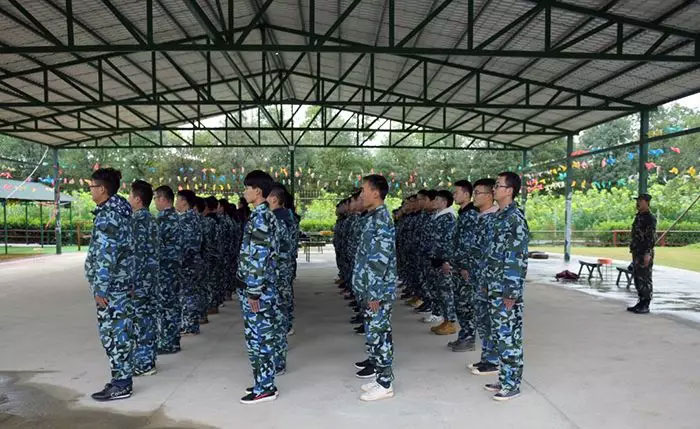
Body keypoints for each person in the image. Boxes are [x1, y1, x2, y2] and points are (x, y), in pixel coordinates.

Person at [85, 168, 135, 401]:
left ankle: (122, 384)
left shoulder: (109, 216)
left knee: (114, 334)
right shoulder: (118, 211)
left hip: (113, 288)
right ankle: (120, 380)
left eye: (92, 186)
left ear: (103, 189)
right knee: (118, 332)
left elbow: (107, 255)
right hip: (120, 285)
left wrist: (101, 288)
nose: (90, 190)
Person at [483, 172, 529, 401]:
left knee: (508, 336)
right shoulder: (498, 217)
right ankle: (504, 378)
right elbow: (492, 254)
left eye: (498, 185)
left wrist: (511, 291)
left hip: (506, 290)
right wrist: (486, 282)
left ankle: (512, 384)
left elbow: (516, 258)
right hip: (494, 286)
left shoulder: (515, 219)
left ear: (509, 191)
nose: (494, 189)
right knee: (500, 335)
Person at [352, 174, 397, 401]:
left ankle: (385, 383)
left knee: (379, 335)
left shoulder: (381, 220)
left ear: (376, 193)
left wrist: (374, 293)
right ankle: (380, 376)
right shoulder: (372, 217)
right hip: (371, 288)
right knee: (374, 334)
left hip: (377, 290)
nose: (361, 195)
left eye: (364, 190)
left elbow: (379, 261)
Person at [237, 170, 280, 404]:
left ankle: (265, 387)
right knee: (259, 338)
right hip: (259, 288)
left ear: (258, 191)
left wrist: (253, 291)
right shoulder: (262, 216)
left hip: (258, 291)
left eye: (247, 188)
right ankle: (263, 381)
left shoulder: (262, 218)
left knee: (259, 339)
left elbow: (259, 257)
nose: (244, 192)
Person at [465, 178, 500, 374]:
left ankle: (493, 360)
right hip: (478, 278)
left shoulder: (495, 218)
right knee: (482, 320)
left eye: (477, 193)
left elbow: (492, 255)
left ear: (489, 195)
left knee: (491, 320)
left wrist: (487, 280)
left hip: (488, 280)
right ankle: (486, 357)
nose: (474, 197)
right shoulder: (481, 217)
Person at [128, 180, 160, 377]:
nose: (128, 199)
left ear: (138, 199)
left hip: (140, 280)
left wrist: (132, 281)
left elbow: (137, 255)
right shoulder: (152, 219)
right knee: (148, 319)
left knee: (141, 321)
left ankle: (144, 363)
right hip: (151, 278)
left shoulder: (138, 221)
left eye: (130, 195)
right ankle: (148, 360)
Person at [448, 180, 478, 352]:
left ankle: (469, 338)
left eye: (456, 192)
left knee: (467, 305)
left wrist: (465, 266)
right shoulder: (463, 214)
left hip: (465, 268)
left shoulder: (471, 215)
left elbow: (469, 244)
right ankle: (464, 335)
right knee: (460, 304)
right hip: (459, 267)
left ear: (467, 194)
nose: (454, 195)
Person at [267, 183, 293, 373]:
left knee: (276, 316)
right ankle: (278, 359)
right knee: (280, 313)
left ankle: (278, 361)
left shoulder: (277, 220)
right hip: (283, 270)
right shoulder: (287, 216)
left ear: (274, 199)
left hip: (277, 272)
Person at [154, 185, 183, 354]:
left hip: (165, 269)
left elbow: (155, 247)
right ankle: (173, 340)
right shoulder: (177, 217)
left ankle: (167, 342)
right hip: (175, 267)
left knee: (165, 306)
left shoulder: (163, 220)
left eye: (156, 198)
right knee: (173, 304)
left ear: (163, 199)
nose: (155, 202)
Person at [428, 189, 458, 336]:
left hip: (444, 260)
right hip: (437, 259)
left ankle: (451, 322)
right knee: (440, 292)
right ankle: (445, 320)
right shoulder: (438, 216)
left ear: (445, 202)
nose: (434, 202)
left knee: (446, 293)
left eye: (437, 199)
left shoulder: (448, 217)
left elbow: (449, 241)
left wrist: (447, 260)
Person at [176, 190, 203, 336]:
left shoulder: (185, 220)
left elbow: (184, 245)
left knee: (187, 294)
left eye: (178, 199)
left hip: (187, 262)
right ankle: (191, 323)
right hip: (195, 261)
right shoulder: (196, 217)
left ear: (184, 201)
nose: (176, 203)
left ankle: (189, 325)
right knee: (191, 292)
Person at [627, 193, 657, 314]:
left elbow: (651, 237)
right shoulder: (639, 216)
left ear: (647, 202)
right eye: (637, 201)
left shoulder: (650, 218)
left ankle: (646, 304)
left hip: (645, 252)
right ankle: (640, 301)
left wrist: (647, 253)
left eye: (640, 201)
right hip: (637, 251)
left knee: (645, 278)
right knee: (638, 277)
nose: (638, 203)